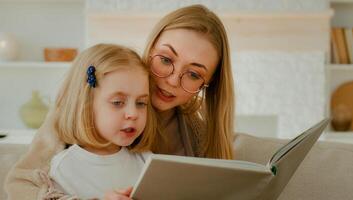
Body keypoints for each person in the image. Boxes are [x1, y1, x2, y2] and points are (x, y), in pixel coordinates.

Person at [5, 4, 235, 199]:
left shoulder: (197, 134)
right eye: (165, 59)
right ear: (150, 49)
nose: (173, 80)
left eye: (193, 74)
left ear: (208, 84)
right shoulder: (76, 115)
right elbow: (18, 185)